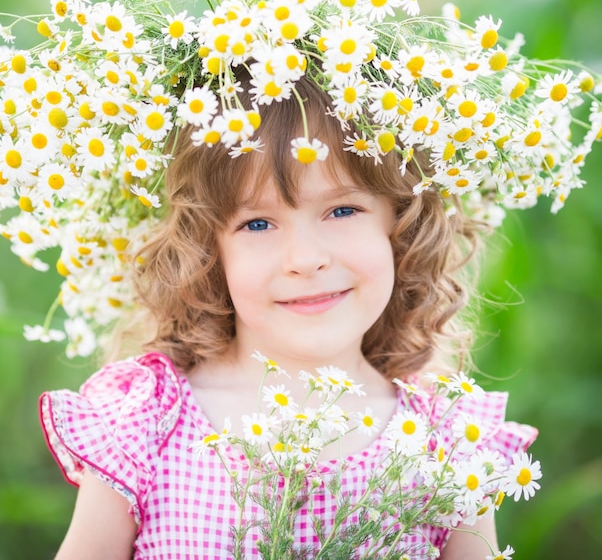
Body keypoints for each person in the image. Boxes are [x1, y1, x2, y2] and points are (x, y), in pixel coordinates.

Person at [39, 70, 537, 559]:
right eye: (257, 223)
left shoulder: (451, 443)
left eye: (342, 211)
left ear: (400, 224)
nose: (305, 258)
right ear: (208, 252)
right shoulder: (148, 423)